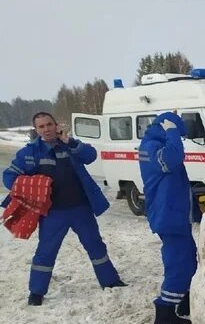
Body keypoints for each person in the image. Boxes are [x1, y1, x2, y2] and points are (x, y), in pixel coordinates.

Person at [2, 112, 126, 306]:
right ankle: (36, 292)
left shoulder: (69, 145)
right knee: (46, 251)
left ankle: (110, 281)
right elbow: (9, 176)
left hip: (80, 208)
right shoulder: (29, 153)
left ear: (55, 125)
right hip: (53, 213)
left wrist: (69, 140)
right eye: (41, 126)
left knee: (95, 245)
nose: (46, 129)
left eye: (49, 124)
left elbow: (90, 156)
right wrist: (30, 187)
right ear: (36, 130)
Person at [138, 111, 194, 324]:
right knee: (179, 264)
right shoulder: (151, 146)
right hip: (168, 215)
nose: (179, 139)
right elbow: (172, 158)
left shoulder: (155, 144)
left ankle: (182, 304)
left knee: (188, 259)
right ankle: (164, 313)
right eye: (177, 133)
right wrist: (172, 131)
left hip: (175, 214)